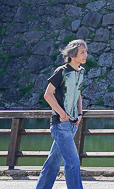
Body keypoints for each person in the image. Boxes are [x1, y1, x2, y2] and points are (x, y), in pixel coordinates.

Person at [35, 39, 88, 189]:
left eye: (86, 52)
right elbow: (48, 94)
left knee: (53, 163)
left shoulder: (80, 72)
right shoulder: (62, 71)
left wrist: (79, 114)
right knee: (73, 162)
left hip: (72, 125)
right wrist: (63, 115)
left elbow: (78, 93)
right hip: (60, 124)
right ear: (72, 54)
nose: (85, 55)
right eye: (82, 52)